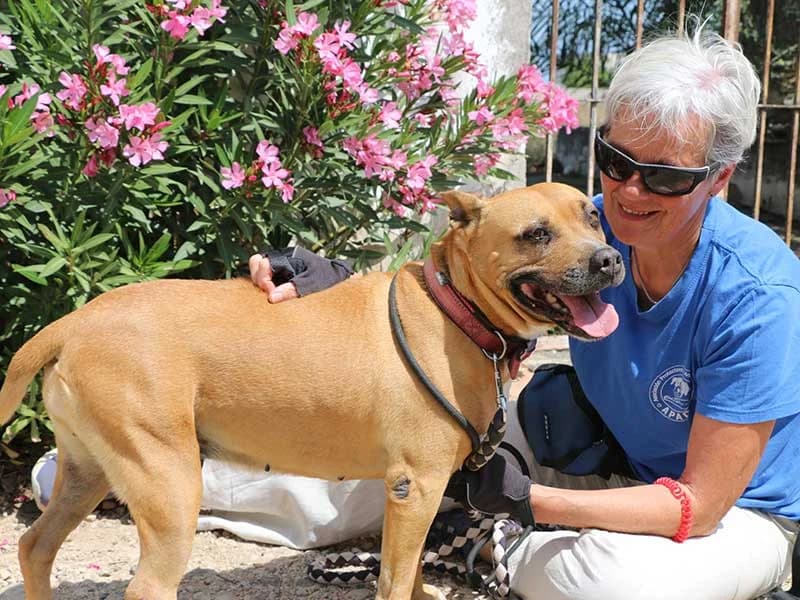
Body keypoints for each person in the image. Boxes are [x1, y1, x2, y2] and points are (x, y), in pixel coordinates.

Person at [248, 22, 800, 600]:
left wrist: (523, 500)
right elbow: (476, 284)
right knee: (365, 471)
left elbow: (701, 504)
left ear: (718, 180)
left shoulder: (757, 296)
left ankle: (486, 543)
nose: (630, 192)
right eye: (614, 159)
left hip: (737, 516)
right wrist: (337, 282)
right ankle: (170, 467)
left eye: (663, 176)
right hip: (599, 451)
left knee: (617, 585)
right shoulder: (581, 228)